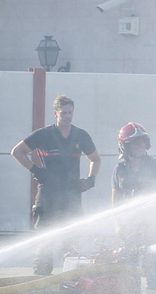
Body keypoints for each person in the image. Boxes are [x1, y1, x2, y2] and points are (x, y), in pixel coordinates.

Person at [10, 94, 101, 281]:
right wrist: (35, 169)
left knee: (73, 241)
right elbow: (17, 152)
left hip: (71, 195)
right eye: (64, 113)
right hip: (48, 194)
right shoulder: (43, 135)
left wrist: (90, 179)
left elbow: (95, 159)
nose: (67, 116)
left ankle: (73, 284)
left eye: (70, 112)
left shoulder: (81, 136)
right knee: (45, 241)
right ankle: (43, 284)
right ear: (55, 113)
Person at [112, 122, 156, 294]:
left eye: (143, 142)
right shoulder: (119, 169)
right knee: (128, 262)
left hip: (151, 223)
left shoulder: (155, 167)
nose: (140, 146)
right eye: (136, 142)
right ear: (125, 145)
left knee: (152, 260)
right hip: (129, 225)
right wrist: (119, 225)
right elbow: (116, 200)